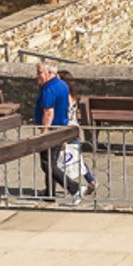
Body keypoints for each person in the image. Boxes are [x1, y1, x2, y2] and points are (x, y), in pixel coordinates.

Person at [33, 61, 80, 201]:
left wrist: (44, 131)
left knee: (46, 164)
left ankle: (74, 188)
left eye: (40, 73)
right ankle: (50, 193)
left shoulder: (49, 89)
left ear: (49, 73)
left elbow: (49, 112)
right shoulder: (62, 85)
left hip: (52, 130)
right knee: (51, 162)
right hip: (61, 128)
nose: (37, 76)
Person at [57, 69, 97, 198]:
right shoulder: (73, 96)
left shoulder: (64, 97)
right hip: (75, 128)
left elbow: (64, 116)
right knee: (77, 157)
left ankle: (66, 186)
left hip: (67, 130)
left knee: (58, 161)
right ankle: (91, 180)